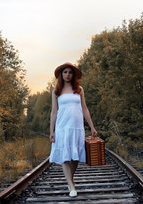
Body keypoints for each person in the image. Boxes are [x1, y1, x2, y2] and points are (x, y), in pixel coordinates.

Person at [49, 62, 97, 197]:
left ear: (73, 74)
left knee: (75, 157)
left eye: (70, 72)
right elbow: (53, 112)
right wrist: (51, 131)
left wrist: (92, 126)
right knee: (65, 156)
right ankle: (71, 185)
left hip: (77, 127)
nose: (68, 75)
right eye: (65, 72)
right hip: (62, 127)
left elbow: (85, 108)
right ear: (61, 74)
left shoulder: (79, 89)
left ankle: (70, 180)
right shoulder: (56, 91)